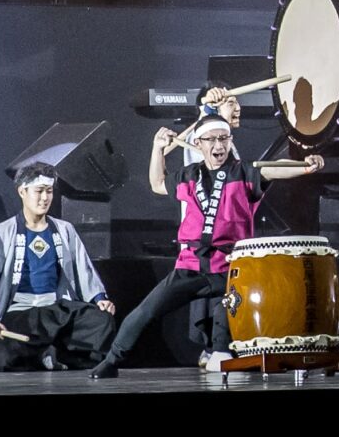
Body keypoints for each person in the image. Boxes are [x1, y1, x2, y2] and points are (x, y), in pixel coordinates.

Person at [91, 105, 322, 377]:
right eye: (211, 140)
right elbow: (157, 183)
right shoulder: (189, 176)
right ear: (198, 144)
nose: (218, 145)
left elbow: (274, 169)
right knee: (146, 311)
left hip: (231, 265)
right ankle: (112, 360)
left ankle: (221, 353)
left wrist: (304, 167)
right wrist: (157, 148)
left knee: (228, 307)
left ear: (230, 141)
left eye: (223, 139)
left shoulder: (244, 173)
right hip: (190, 264)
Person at [0, 163, 115, 370]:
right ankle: (46, 355)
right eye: (39, 191)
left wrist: (100, 300)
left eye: (49, 191)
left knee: (101, 320)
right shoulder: (2, 232)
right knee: (1, 360)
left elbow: (84, 269)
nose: (45, 198)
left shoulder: (64, 230)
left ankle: (53, 354)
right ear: (22, 191)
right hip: (21, 311)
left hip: (56, 309)